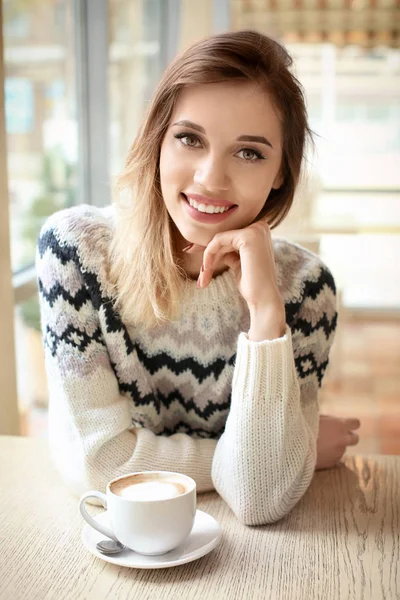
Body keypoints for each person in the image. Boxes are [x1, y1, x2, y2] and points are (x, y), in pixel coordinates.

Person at [37, 30, 360, 526]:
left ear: (280, 172)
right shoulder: (76, 253)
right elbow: (98, 466)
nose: (211, 177)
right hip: (113, 545)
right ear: (158, 140)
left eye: (249, 152)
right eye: (190, 138)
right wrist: (282, 455)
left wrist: (266, 313)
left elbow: (259, 500)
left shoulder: (306, 288)